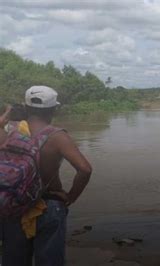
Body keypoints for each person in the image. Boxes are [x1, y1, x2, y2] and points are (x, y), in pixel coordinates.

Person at [1, 85, 92, 266]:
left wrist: (6, 115)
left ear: (26, 107)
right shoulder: (57, 136)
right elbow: (85, 169)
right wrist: (70, 197)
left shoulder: (8, 132)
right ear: (54, 109)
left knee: (13, 260)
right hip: (49, 204)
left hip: (13, 205)